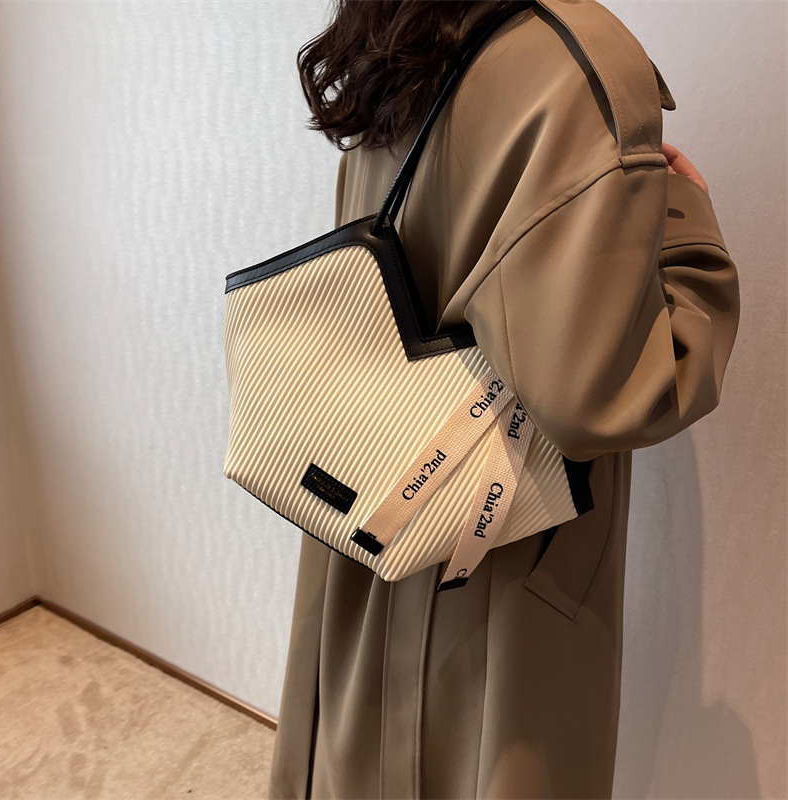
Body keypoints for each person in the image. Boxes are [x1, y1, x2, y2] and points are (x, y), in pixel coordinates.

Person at [268, 1, 741, 798]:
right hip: (494, 549)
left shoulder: (396, 22)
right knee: (483, 758)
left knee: (356, 748)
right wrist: (686, 223)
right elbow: (605, 397)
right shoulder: (577, 67)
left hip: (369, 487)